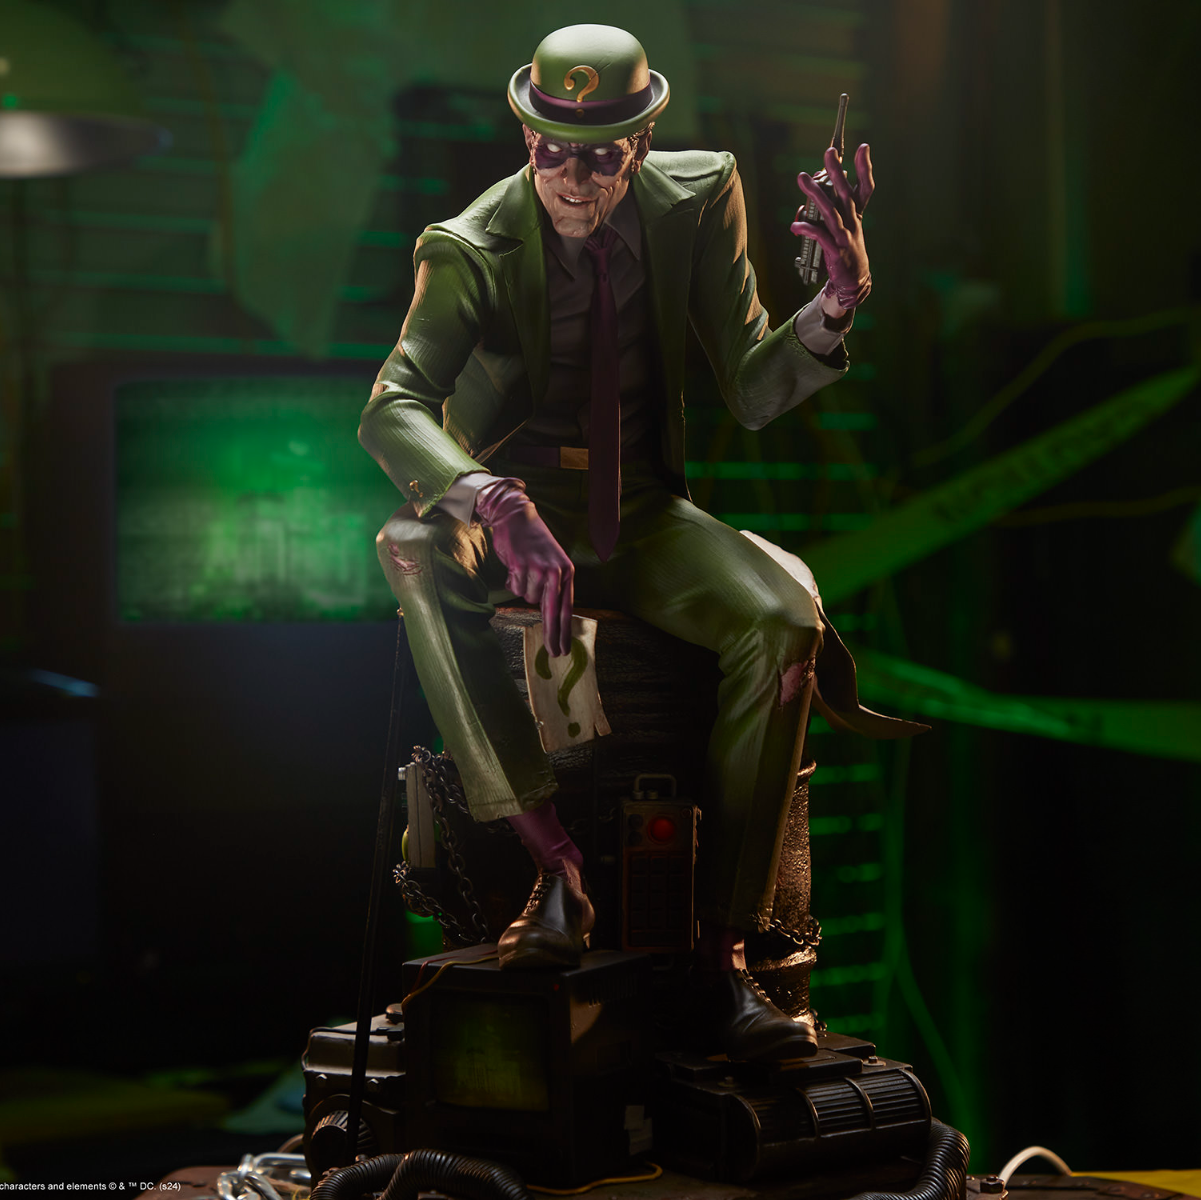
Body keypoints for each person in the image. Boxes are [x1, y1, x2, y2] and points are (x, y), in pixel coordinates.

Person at [361, 23, 922, 1061]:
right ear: (526, 137)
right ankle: (555, 866)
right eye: (553, 152)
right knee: (407, 548)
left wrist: (834, 307)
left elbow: (752, 389)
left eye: (601, 155)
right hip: (514, 511)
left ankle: (724, 953)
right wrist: (493, 501)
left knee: (786, 622)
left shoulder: (698, 198)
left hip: (645, 512)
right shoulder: (470, 245)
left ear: (644, 141)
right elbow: (392, 407)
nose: (574, 180)